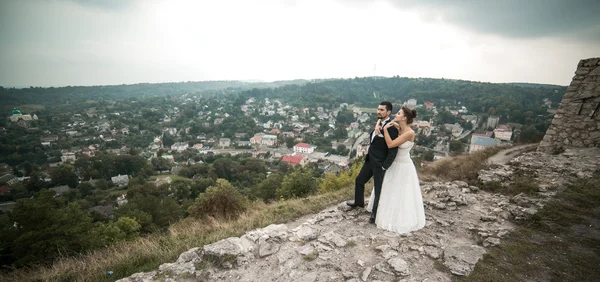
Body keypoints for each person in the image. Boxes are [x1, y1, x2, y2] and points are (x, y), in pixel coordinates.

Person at [371, 106, 426, 234]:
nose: (396, 114)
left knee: (402, 193)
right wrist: (378, 124)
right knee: (389, 190)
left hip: (404, 166)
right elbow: (381, 120)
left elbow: (391, 144)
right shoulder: (397, 128)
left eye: (399, 113)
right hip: (394, 164)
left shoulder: (409, 133)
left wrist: (384, 129)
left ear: (404, 118)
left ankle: (401, 218)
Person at [347, 101, 399, 224]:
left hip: (380, 164)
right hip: (370, 160)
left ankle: (375, 214)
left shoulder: (391, 128)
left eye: (382, 110)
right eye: (378, 109)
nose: (378, 111)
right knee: (359, 180)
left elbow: (393, 150)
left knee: (378, 189)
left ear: (389, 112)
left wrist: (385, 166)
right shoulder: (379, 123)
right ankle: (359, 202)